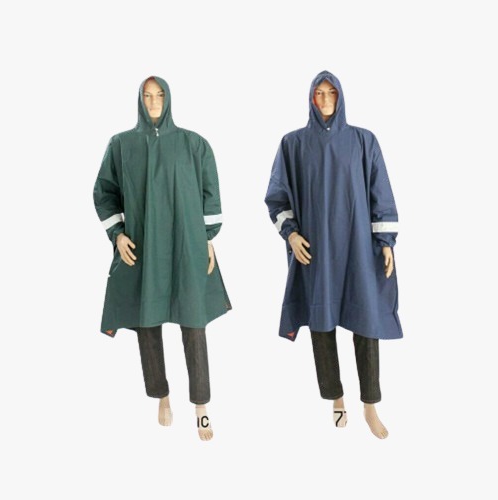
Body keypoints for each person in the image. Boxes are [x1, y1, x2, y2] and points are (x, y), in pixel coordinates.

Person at [265, 70, 402, 439]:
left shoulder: (363, 141)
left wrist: (386, 242)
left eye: (331, 93)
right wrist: (292, 235)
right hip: (317, 251)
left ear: (340, 97)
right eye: (319, 93)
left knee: (366, 322)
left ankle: (370, 405)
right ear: (311, 98)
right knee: (321, 323)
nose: (325, 99)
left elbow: (380, 192)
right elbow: (277, 197)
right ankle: (336, 398)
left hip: (358, 249)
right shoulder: (293, 144)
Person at [93, 76, 231, 441]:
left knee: (194, 322)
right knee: (147, 323)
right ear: (139, 100)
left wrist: (207, 239)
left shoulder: (194, 144)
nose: (154, 101)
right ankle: (162, 396)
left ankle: (201, 406)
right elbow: (104, 193)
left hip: (186, 245)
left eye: (160, 95)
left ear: (169, 99)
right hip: (144, 246)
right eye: (147, 95)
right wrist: (117, 234)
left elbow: (211, 194)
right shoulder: (121, 145)